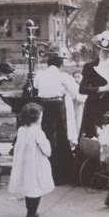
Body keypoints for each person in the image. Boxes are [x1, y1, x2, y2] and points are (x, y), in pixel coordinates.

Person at [33, 50, 81, 184]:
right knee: (60, 136)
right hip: (57, 106)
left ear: (48, 63)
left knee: (47, 135)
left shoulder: (40, 74)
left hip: (43, 106)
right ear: (60, 64)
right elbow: (76, 93)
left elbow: (36, 86)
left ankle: (46, 172)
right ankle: (62, 174)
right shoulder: (63, 76)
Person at [8, 103, 54, 217]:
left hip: (24, 165)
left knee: (29, 189)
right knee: (36, 190)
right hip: (36, 165)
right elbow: (47, 150)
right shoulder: (38, 132)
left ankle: (31, 212)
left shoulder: (21, 130)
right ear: (37, 118)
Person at [79, 28, 109, 138]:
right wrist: (101, 89)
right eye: (106, 51)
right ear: (100, 49)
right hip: (96, 107)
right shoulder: (90, 67)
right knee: (97, 137)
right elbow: (82, 89)